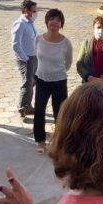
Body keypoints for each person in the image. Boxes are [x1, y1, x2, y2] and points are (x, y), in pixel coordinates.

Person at [33, 8, 72, 154]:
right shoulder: (38, 39)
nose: (54, 22)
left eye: (58, 20)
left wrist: (56, 72)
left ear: (61, 24)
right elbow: (35, 57)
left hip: (59, 81)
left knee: (60, 113)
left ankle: (60, 142)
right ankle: (40, 141)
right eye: (52, 19)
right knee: (39, 110)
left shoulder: (66, 42)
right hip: (42, 79)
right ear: (47, 21)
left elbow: (68, 63)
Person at [11, 0, 38, 118]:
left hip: (33, 57)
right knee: (27, 84)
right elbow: (15, 45)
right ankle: (21, 108)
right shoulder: (20, 23)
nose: (35, 13)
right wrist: (26, 59)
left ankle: (28, 106)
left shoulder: (30, 22)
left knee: (32, 82)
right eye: (33, 11)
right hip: (26, 59)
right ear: (26, 10)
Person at [75, 15, 103, 84]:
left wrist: (100, 79)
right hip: (88, 84)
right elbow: (79, 64)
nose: (101, 30)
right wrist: (89, 77)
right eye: (98, 27)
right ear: (94, 28)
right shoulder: (86, 43)